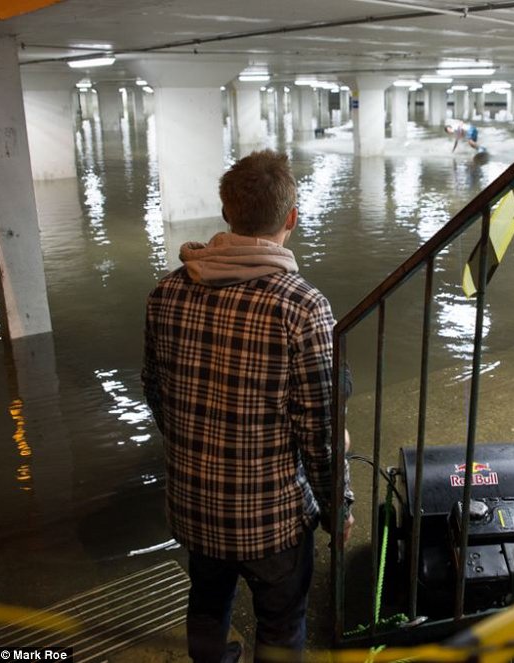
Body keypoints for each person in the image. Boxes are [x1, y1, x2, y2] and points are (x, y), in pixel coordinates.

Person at [142, 149, 355, 663]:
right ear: (291, 218)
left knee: (206, 602)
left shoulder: (166, 292)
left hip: (194, 506)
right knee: (280, 624)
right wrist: (337, 508)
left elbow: (156, 393)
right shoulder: (302, 307)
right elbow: (321, 433)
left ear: (226, 213)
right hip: (271, 520)